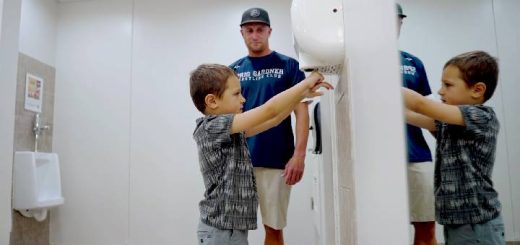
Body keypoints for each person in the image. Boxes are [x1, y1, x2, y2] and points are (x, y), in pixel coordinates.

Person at [190, 64, 332, 245]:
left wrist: (301, 97)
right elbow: (269, 109)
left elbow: (274, 119)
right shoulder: (210, 128)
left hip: (231, 229)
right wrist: (305, 84)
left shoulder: (232, 130)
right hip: (220, 230)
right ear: (212, 101)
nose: (243, 99)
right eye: (236, 94)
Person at [402, 50, 505, 245]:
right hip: (457, 221)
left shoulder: (481, 117)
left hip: (477, 222)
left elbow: (420, 105)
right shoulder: (450, 122)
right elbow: (412, 115)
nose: (440, 91)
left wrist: (384, 80)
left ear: (477, 90)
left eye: (447, 85)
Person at [229, 7, 309, 245]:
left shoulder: (289, 66)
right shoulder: (233, 70)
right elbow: (228, 118)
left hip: (276, 160)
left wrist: (299, 155)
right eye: (250, 30)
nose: (255, 35)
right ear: (242, 33)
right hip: (239, 161)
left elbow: (301, 112)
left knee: (273, 229)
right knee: (234, 230)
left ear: (269, 31)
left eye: (260, 29)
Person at [396, 3, 437, 244]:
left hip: (417, 157)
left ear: (401, 23)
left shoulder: (413, 63)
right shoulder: (358, 63)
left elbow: (430, 112)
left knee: (426, 227)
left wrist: (445, 139)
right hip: (378, 164)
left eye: (396, 21)